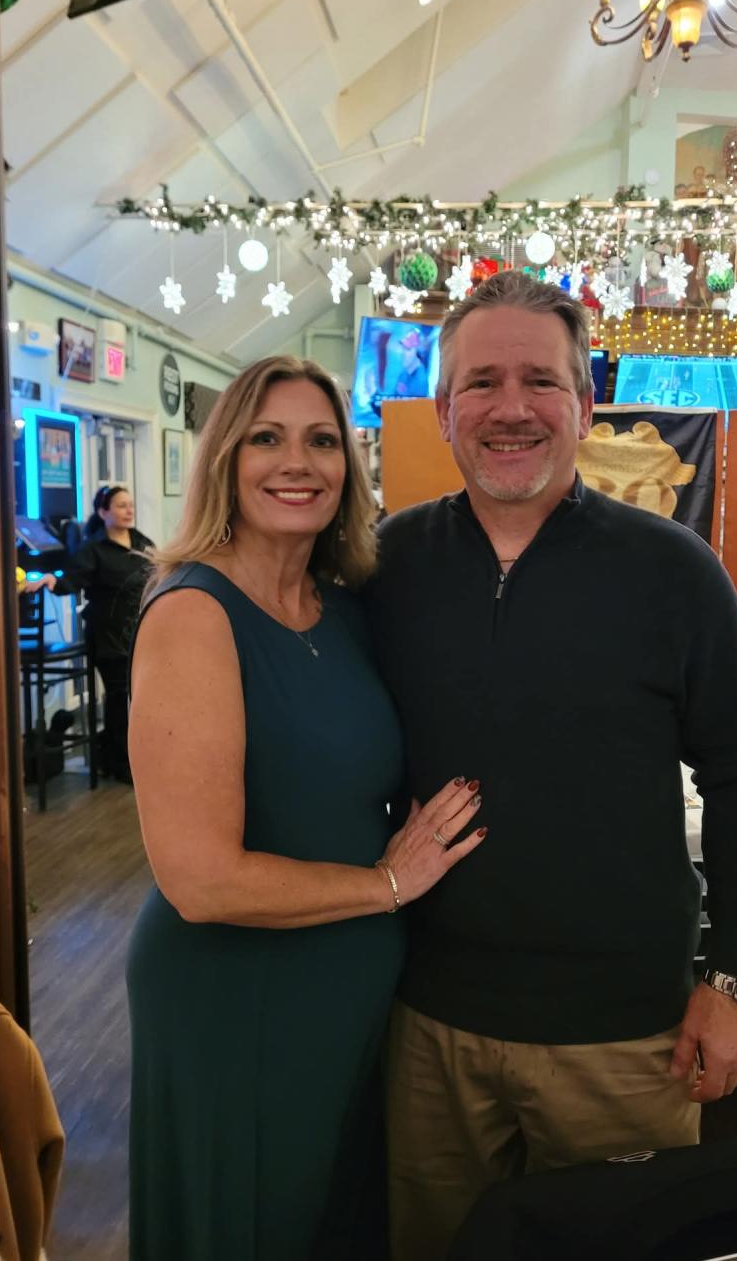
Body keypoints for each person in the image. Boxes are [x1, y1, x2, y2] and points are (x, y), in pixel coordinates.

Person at [365, 270, 737, 1261]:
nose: (511, 407)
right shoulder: (387, 565)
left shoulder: (675, 571)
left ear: (585, 405)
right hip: (429, 1025)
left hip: (624, 1035)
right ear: (443, 409)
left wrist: (735, 981)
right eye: (481, 382)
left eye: (541, 381)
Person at [125, 356, 486, 1261]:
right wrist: (386, 884)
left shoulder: (345, 608)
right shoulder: (194, 613)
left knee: (336, 1224)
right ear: (226, 460)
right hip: (236, 997)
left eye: (322, 440)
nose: (298, 462)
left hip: (348, 992)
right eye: (267, 438)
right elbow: (201, 881)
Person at [26, 485, 153, 783]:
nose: (129, 510)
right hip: (109, 635)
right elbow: (71, 579)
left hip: (140, 632)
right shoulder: (93, 549)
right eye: (121, 506)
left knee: (140, 697)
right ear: (103, 512)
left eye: (130, 505)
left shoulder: (141, 542)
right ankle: (118, 761)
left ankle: (123, 754)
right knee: (119, 696)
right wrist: (50, 579)